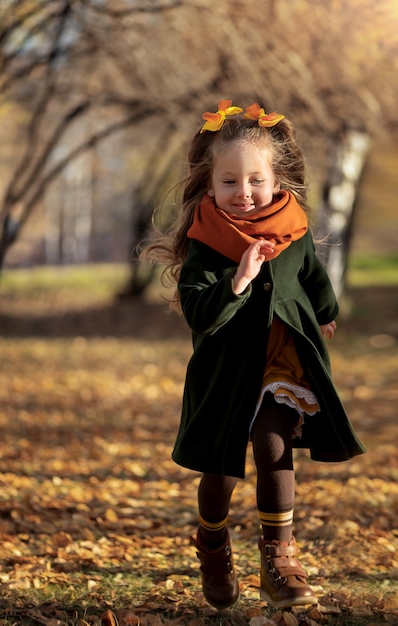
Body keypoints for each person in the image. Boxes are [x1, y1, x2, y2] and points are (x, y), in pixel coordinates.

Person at [143, 100, 365, 610]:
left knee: (271, 443)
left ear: (276, 178)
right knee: (219, 473)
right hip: (225, 372)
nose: (243, 193)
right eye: (229, 182)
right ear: (210, 182)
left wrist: (326, 312)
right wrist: (237, 280)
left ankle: (278, 561)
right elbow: (201, 312)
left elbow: (312, 276)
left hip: (283, 362)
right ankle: (214, 545)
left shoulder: (294, 226)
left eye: (255, 181)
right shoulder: (206, 239)